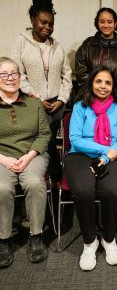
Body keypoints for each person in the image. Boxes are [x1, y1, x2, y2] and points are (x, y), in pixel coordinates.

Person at [64, 66, 117, 271]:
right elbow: (75, 139)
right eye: (99, 81)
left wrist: (109, 155)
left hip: (114, 157)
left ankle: (108, 239)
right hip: (80, 155)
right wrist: (105, 150)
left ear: (113, 86)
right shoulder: (79, 107)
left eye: (108, 83)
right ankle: (90, 241)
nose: (103, 86)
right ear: (91, 84)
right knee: (84, 191)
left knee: (111, 191)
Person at [11, 0, 72, 185]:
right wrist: (36, 97)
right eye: (43, 22)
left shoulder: (57, 46)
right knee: (36, 147)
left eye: (51, 24)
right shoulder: (21, 43)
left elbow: (67, 75)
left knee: (51, 145)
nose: (47, 27)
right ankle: (39, 184)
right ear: (32, 19)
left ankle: (53, 188)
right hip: (31, 105)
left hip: (56, 107)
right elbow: (16, 74)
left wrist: (62, 100)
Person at [0, 57, 51, 268]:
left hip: (33, 155)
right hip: (2, 157)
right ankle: (3, 239)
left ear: (20, 78)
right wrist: (4, 159)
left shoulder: (34, 103)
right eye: (4, 74)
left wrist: (28, 156)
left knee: (34, 183)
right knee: (1, 187)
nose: (10, 78)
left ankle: (36, 235)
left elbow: (44, 134)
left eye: (14, 74)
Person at [75, 7, 117, 107]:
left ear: (115, 24)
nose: (106, 25)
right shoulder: (88, 45)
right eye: (102, 22)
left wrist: (112, 92)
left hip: (116, 101)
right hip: (90, 99)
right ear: (97, 23)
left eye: (110, 22)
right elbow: (81, 73)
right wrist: (94, 91)